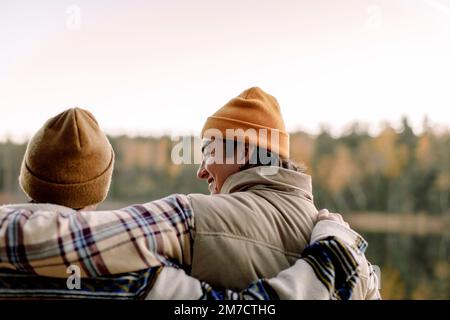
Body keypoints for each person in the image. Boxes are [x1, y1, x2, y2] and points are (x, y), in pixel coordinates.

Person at [0, 90, 380, 299]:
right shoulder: (347, 253)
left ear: (245, 152)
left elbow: (68, 242)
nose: (200, 170)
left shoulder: (189, 218)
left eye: (209, 152)